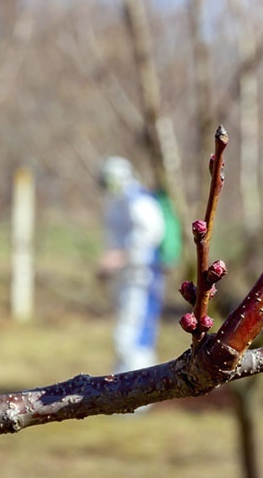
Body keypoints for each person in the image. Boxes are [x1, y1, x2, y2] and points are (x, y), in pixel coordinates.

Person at [97, 156, 165, 373]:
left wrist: (122, 256)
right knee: (126, 334)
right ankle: (121, 387)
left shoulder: (136, 200)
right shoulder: (117, 201)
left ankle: (138, 391)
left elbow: (151, 232)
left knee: (132, 335)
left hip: (141, 276)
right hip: (126, 277)